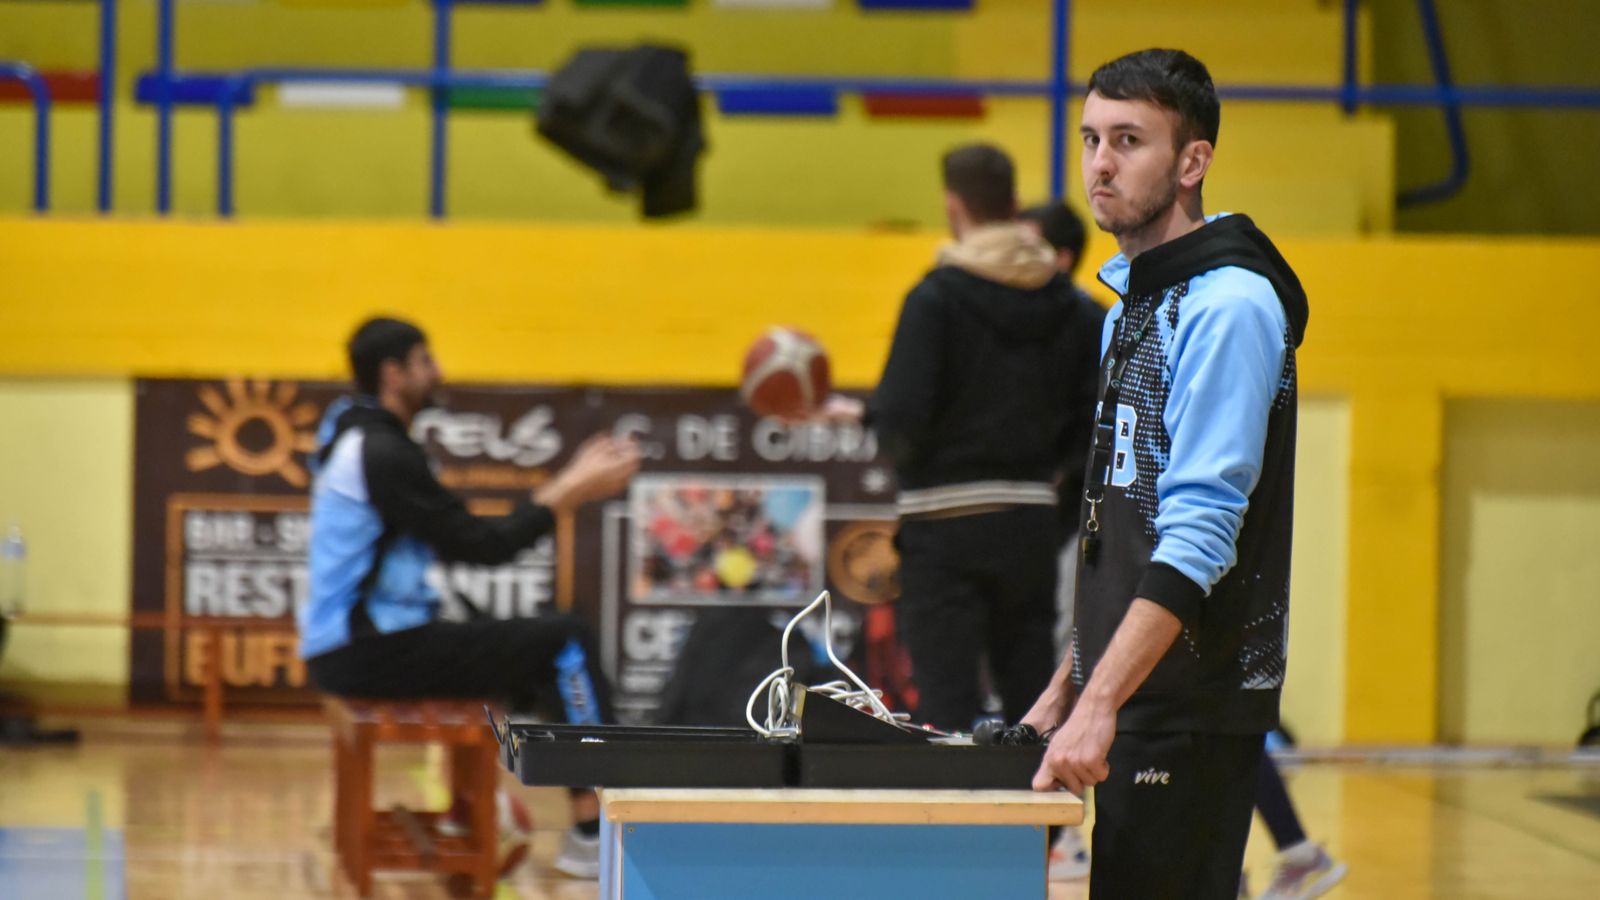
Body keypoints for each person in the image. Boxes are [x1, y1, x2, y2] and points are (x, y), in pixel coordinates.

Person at [1020, 48, 1311, 900]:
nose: (1100, 164)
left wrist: (1100, 704)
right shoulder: (1135, 305)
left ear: (1193, 162)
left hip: (1193, 702)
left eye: (1128, 140)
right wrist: (1065, 693)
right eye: (1089, 138)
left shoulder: (1228, 305)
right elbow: (1124, 528)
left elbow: (1199, 534)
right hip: (1136, 694)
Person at [299, 316, 640, 879]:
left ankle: (474, 810)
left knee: (526, 649)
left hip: (353, 645)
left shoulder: (351, 430)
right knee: (564, 640)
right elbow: (485, 547)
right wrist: (570, 490)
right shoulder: (382, 452)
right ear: (393, 373)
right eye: (425, 361)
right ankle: (593, 832)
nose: (438, 372)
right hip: (367, 650)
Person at [823, 143, 1103, 739]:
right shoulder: (1079, 312)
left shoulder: (935, 300)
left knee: (945, 714)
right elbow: (1091, 432)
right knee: (1034, 711)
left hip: (942, 527)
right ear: (1013, 204)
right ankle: (1041, 835)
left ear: (954, 208)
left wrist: (873, 421)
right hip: (1028, 527)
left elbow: (901, 425)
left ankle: (951, 831)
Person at [1017, 199, 1107, 882]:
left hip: (1087, 529)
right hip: (1046, 525)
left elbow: (1087, 436)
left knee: (1077, 672)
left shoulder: (1086, 324)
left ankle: (1060, 830)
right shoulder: (1028, 323)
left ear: (1063, 257)